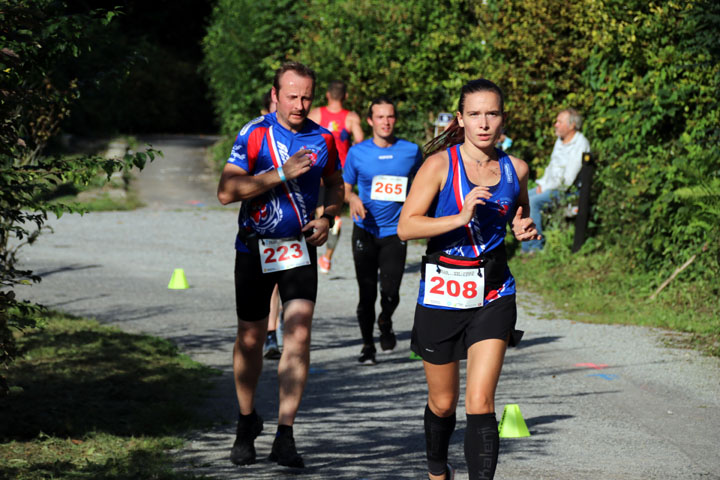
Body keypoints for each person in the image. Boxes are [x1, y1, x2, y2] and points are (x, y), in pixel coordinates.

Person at [397, 79, 539, 479]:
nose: (483, 123)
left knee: (480, 401)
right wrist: (458, 217)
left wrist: (523, 226)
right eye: (474, 114)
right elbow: (406, 227)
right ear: (460, 119)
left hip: (494, 292)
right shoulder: (440, 165)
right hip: (443, 292)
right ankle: (438, 471)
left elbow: (518, 212)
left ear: (503, 119)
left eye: (491, 113)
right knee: (443, 403)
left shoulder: (516, 168)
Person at [217, 62, 344, 469]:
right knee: (251, 340)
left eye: (306, 96)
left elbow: (335, 184)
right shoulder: (254, 133)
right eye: (291, 96)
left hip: (298, 249)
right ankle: (246, 420)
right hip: (255, 248)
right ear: (275, 94)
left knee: (299, 335)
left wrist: (327, 218)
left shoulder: (323, 138)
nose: (299, 104)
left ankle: (285, 435)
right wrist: (278, 174)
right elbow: (226, 191)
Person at [343, 96, 423, 365]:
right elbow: (345, 188)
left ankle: (385, 320)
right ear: (370, 121)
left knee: (390, 291)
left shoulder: (411, 150)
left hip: (395, 231)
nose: (386, 122)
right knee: (366, 293)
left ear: (395, 119)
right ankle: (368, 346)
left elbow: (424, 182)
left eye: (390, 116)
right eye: (380, 117)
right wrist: (352, 198)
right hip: (365, 230)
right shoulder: (357, 152)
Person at [308, 81, 364, 273]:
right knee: (332, 215)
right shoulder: (351, 117)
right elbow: (360, 143)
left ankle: (313, 253)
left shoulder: (315, 114)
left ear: (327, 95)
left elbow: (304, 138)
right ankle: (327, 257)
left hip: (318, 169)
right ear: (346, 96)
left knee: (318, 212)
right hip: (340, 173)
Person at [522, 108, 590, 253]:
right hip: (550, 187)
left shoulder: (580, 144)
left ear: (572, 126)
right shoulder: (560, 141)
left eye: (560, 122)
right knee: (522, 198)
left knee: (533, 202)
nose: (555, 124)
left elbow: (567, 180)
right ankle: (526, 246)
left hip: (567, 192)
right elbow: (551, 167)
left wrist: (544, 187)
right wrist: (542, 184)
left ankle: (535, 247)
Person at [259, 89, 283, 360]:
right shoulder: (254, 137)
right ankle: (270, 334)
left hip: (297, 225)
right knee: (273, 283)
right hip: (266, 223)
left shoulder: (304, 135)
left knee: (289, 284)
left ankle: (282, 327)